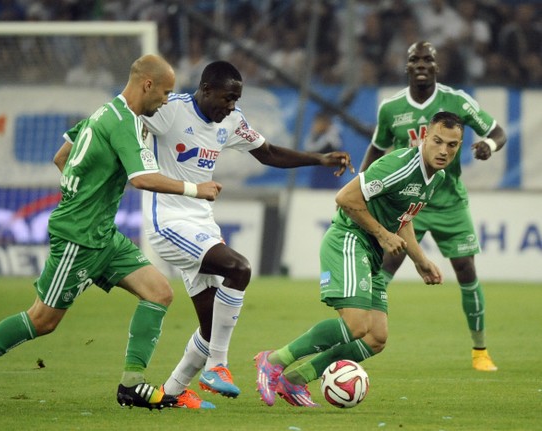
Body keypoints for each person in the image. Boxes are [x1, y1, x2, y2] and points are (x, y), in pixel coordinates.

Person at [0, 54, 222, 413]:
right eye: (164, 92)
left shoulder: (102, 114)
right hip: (78, 239)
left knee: (159, 292)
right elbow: (142, 178)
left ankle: (131, 385)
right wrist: (197, 189)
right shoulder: (126, 124)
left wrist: (83, 191)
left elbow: (61, 156)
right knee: (42, 320)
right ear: (147, 84)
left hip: (103, 234)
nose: (166, 100)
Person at [140, 60, 353, 408]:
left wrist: (320, 158)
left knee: (212, 326)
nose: (231, 107)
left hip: (202, 222)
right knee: (239, 268)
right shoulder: (170, 111)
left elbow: (268, 153)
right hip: (168, 219)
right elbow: (124, 118)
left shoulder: (232, 122)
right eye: (227, 98)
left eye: (236, 100)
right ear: (206, 89)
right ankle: (218, 367)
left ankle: (172, 392)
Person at [255, 111, 462, 407]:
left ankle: (295, 380)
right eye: (438, 141)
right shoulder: (400, 165)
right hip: (350, 239)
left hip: (372, 251)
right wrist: (381, 234)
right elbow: (345, 198)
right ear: (425, 137)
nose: (444, 150)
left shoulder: (436, 177)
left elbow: (402, 218)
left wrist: (420, 260)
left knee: (375, 338)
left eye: (452, 145)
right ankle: (274, 360)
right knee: (356, 326)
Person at [358, 41, 507, 372]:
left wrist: (487, 145)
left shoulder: (456, 101)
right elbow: (376, 149)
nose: (422, 64)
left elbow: (498, 132)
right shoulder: (391, 108)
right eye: (415, 59)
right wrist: (360, 187)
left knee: (466, 270)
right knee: (385, 267)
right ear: (407, 66)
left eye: (428, 59)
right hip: (408, 201)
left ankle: (480, 351)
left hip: (450, 201)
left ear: (437, 66)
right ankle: (364, 335)